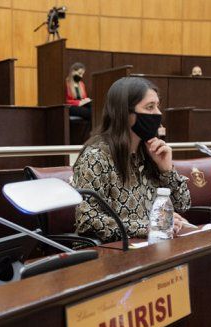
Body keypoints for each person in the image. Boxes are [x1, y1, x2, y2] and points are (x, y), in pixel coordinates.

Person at [72, 76, 191, 243]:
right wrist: (146, 226)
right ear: (125, 113)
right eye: (150, 107)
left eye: (157, 106)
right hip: (109, 251)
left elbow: (183, 205)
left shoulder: (150, 152)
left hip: (150, 245)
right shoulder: (96, 157)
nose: (158, 113)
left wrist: (166, 170)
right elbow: (87, 220)